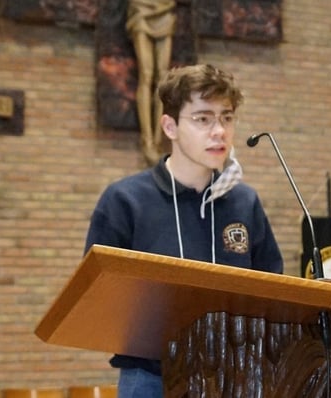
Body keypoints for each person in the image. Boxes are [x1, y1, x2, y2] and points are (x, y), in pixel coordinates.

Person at [84, 64, 284, 398]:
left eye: (227, 118)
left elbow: (273, 289)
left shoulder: (245, 202)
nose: (219, 131)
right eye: (203, 119)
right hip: (150, 380)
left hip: (233, 379)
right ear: (170, 126)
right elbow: (97, 298)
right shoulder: (125, 200)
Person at [126, 0, 177, 165]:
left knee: (162, 78)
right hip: (141, 10)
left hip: (165, 8)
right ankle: (147, 140)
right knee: (146, 74)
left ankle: (158, 140)